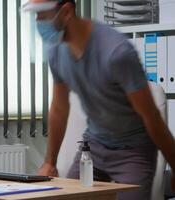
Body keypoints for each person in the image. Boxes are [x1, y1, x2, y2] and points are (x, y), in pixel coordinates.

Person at [22, 0, 175, 199]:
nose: (38, 22)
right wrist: (50, 162)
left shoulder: (117, 52)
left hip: (133, 151)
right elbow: (59, 107)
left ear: (66, 11)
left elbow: (151, 116)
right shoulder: (57, 51)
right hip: (93, 146)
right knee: (65, 196)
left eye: (42, 15)